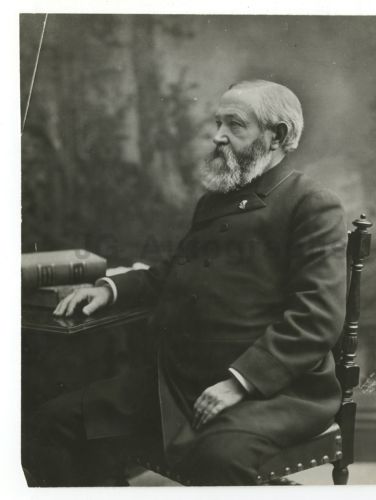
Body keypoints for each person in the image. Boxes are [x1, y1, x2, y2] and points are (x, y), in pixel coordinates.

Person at [22, 79, 347, 486]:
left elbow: (317, 316)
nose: (218, 136)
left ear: (277, 136)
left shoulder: (310, 203)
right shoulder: (216, 200)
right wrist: (110, 289)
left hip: (273, 391)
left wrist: (239, 383)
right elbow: (174, 272)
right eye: (218, 123)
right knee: (54, 424)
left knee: (218, 459)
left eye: (234, 125)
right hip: (179, 381)